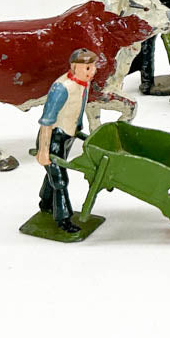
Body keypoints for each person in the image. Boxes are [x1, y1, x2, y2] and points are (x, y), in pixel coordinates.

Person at [34, 49, 98, 234]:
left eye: (93, 66)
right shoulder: (61, 88)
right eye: (87, 67)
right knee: (60, 180)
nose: (92, 71)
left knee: (54, 173)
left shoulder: (84, 84)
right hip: (53, 138)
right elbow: (47, 122)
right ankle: (63, 220)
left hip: (68, 135)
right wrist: (43, 151)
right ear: (74, 67)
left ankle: (45, 202)